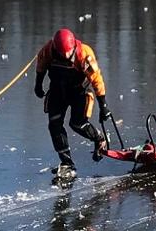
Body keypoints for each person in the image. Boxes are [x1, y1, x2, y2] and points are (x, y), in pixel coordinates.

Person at [35, 28, 112, 177]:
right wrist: (38, 85)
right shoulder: (48, 50)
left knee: (77, 124)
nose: (65, 56)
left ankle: (99, 138)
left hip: (79, 92)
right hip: (58, 91)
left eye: (68, 52)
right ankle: (67, 163)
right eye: (61, 53)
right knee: (54, 125)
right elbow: (41, 66)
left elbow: (96, 80)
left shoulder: (84, 54)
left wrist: (103, 105)